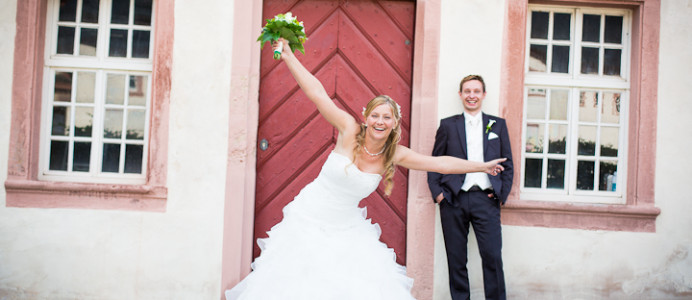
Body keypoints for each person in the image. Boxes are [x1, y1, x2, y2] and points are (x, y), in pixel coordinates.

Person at [225, 40, 506, 300]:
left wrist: (481, 166)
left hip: (348, 229)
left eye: (387, 117)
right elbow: (317, 93)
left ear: (395, 123)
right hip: (307, 219)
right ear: (366, 116)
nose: (380, 122)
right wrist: (287, 56)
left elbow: (441, 163)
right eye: (375, 116)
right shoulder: (348, 130)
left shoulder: (394, 154)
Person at [427, 74, 514, 300]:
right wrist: (438, 195)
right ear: (460, 95)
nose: (471, 96)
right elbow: (434, 162)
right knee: (456, 260)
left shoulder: (498, 125)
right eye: (467, 91)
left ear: (483, 95)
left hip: (486, 199)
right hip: (453, 200)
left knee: (493, 257)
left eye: (476, 91)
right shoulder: (447, 125)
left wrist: (501, 195)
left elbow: (508, 163)